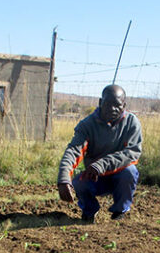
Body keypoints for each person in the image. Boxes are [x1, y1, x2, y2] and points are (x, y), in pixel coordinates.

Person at [57, 84, 142, 223]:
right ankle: (89, 211)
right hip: (95, 178)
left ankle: (120, 212)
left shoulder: (131, 122)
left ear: (124, 105)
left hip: (119, 175)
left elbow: (132, 153)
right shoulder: (87, 125)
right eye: (108, 104)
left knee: (130, 171)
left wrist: (102, 164)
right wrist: (63, 178)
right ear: (100, 102)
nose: (112, 109)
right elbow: (73, 151)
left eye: (118, 105)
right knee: (79, 183)